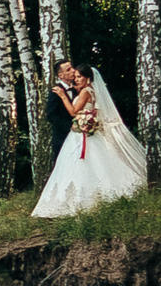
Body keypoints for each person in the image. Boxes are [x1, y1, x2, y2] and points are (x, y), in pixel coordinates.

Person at [32, 56, 150, 217]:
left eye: (73, 69)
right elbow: (51, 115)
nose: (73, 72)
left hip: (82, 134)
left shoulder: (81, 90)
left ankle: (89, 201)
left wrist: (82, 122)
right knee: (69, 169)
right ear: (60, 75)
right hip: (67, 136)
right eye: (69, 70)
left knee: (90, 165)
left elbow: (77, 110)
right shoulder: (58, 91)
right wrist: (72, 126)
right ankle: (69, 200)